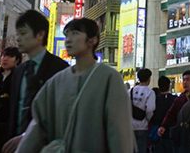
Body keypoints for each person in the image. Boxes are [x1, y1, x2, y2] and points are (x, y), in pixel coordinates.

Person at [15, 18, 134, 152]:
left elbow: (119, 130)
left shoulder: (109, 78)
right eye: (67, 35)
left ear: (92, 40)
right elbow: (38, 126)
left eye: (75, 33)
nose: (68, 39)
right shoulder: (56, 82)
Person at [1, 9, 69, 153]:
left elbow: (59, 114)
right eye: (18, 33)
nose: (18, 38)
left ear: (40, 35)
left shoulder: (60, 69)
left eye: (23, 33)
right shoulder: (19, 71)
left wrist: (28, 137)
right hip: (15, 146)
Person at [159, 70, 190, 139]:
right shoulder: (181, 98)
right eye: (183, 80)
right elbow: (171, 113)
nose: (185, 82)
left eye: (188, 80)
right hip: (183, 133)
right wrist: (163, 125)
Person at [132, 68, 157, 153]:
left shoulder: (130, 90)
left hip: (130, 126)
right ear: (149, 78)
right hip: (142, 126)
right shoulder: (150, 92)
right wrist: (148, 119)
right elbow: (150, 109)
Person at [152, 76, 178, 153]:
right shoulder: (175, 99)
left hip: (157, 131)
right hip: (171, 131)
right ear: (169, 85)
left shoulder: (155, 99)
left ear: (159, 86)